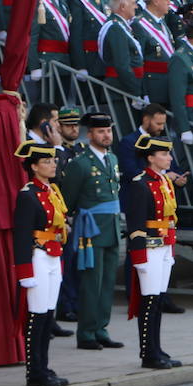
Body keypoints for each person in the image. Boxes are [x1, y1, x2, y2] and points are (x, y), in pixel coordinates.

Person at [58, 112, 124, 351]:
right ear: (90, 135)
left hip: (112, 228)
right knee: (91, 283)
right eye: (101, 132)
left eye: (108, 131)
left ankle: (101, 329)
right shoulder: (80, 163)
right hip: (91, 230)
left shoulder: (112, 159)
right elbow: (68, 201)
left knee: (107, 283)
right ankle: (86, 333)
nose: (106, 135)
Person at [13, 140, 70, 386]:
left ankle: (43, 366)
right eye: (46, 161)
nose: (52, 164)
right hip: (37, 255)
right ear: (34, 166)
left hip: (53, 254)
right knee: (36, 316)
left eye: (53, 160)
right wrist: (24, 270)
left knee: (47, 315)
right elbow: (21, 235)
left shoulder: (52, 191)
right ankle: (33, 369)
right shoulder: (28, 195)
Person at [125, 134, 182, 370]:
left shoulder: (164, 182)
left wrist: (170, 248)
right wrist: (139, 258)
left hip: (164, 246)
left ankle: (156, 348)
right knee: (148, 302)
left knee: (157, 301)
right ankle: (148, 352)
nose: (168, 158)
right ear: (150, 158)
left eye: (168, 153)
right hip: (148, 249)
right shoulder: (140, 184)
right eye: (163, 154)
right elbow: (135, 226)